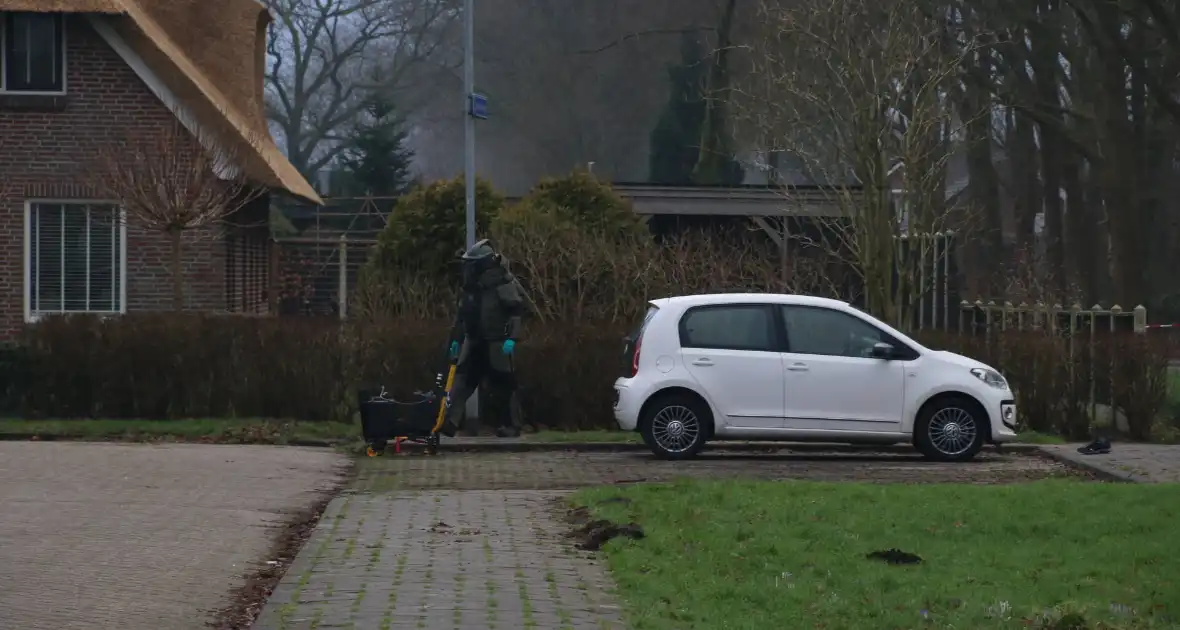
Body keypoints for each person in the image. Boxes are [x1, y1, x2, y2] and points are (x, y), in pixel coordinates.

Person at [442, 239, 525, 437]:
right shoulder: (470, 289)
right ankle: (449, 421)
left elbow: (516, 311)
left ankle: (512, 425)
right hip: (474, 340)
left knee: (505, 384)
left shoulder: (502, 283)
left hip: (497, 341)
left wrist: (512, 338)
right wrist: (455, 341)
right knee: (462, 380)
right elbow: (461, 317)